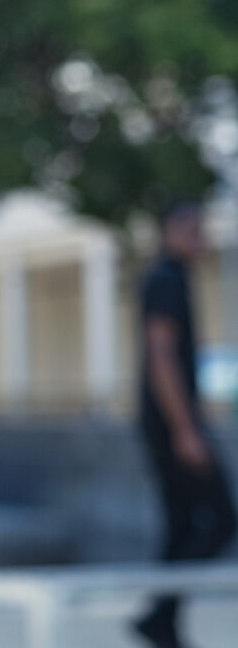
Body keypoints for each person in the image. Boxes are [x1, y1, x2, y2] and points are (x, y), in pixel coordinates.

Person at [132, 203, 237, 648]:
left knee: (180, 524)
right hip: (170, 426)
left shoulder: (172, 277)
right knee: (223, 518)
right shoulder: (166, 279)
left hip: (169, 423)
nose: (202, 239)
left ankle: (163, 622)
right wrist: (186, 431)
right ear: (168, 231)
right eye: (193, 230)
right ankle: (160, 612)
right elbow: (160, 358)